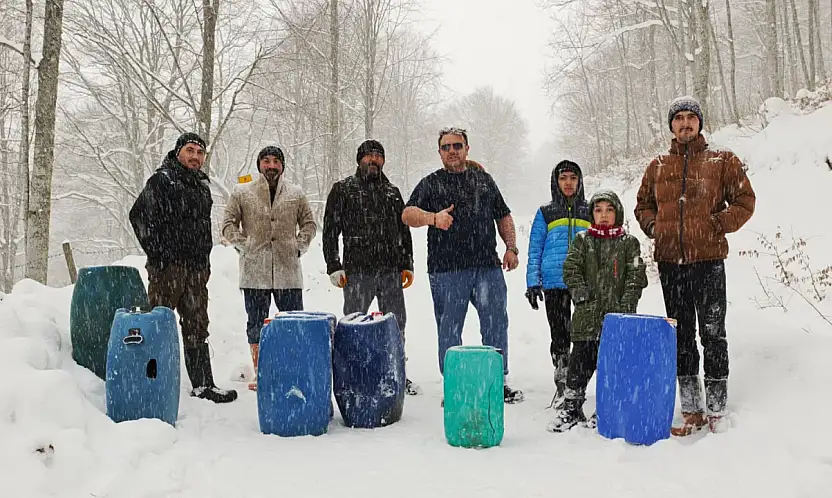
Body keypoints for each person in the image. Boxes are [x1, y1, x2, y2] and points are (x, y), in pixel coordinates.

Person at [635, 96, 756, 435]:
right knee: (681, 334)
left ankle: (716, 408)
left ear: (700, 123)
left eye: (691, 117)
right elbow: (642, 205)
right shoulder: (658, 166)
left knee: (713, 333)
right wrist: (655, 227)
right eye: (679, 118)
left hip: (708, 260)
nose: (685, 123)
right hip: (670, 263)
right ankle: (691, 408)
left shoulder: (722, 160)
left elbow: (745, 201)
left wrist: (717, 224)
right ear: (671, 125)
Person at [402, 127, 523, 404]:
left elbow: (503, 215)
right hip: (446, 269)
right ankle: (454, 385)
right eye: (446, 147)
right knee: (449, 328)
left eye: (457, 145)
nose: (452, 151)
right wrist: (433, 218)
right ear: (439, 152)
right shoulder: (431, 183)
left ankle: (496, 380)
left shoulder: (484, 180)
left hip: (486, 266)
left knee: (495, 322)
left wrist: (511, 247)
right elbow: (407, 214)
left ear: (467, 148)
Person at [129, 132, 237, 403]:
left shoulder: (201, 186)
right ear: (178, 152)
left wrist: (204, 261)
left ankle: (203, 385)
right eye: (190, 150)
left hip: (196, 270)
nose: (195, 156)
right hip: (168, 270)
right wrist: (159, 254)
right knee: (159, 324)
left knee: (197, 325)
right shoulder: (162, 180)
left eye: (200, 152)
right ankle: (152, 385)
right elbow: (138, 216)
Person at [322, 139, 419, 395]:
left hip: (390, 272)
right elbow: (330, 231)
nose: (374, 159)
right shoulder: (343, 190)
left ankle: (396, 372)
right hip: (357, 273)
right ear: (359, 160)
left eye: (378, 155)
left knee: (395, 325)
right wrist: (334, 265)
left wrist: (407, 264)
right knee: (354, 324)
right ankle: (353, 374)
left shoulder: (392, 193)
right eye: (369, 155)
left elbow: (403, 231)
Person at [548, 190, 647, 432]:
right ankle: (571, 407)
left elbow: (636, 276)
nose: (604, 215)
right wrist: (581, 295)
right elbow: (571, 269)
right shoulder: (582, 241)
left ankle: (607, 408)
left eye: (609, 210)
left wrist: (627, 305)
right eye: (598, 210)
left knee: (614, 364)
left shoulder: (628, 243)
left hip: (618, 317)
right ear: (591, 213)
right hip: (587, 315)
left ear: (618, 213)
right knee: (579, 363)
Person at [221, 145, 317, 390]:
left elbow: (309, 223)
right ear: (259, 165)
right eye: (266, 161)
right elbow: (228, 224)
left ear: (282, 166)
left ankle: (292, 371)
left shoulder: (296, 193)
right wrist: (245, 246)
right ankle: (261, 372)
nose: (271, 165)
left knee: (293, 323)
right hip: (255, 272)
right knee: (256, 324)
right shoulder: (242, 192)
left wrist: (298, 247)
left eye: (276, 161)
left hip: (288, 271)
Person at [525, 160, 591, 408]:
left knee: (583, 334)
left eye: (573, 178)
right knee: (560, 334)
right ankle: (562, 381)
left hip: (583, 281)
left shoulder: (590, 210)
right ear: (556, 182)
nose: (568, 183)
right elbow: (535, 248)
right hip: (554, 282)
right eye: (563, 178)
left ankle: (578, 381)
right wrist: (533, 282)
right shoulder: (546, 212)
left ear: (580, 181)